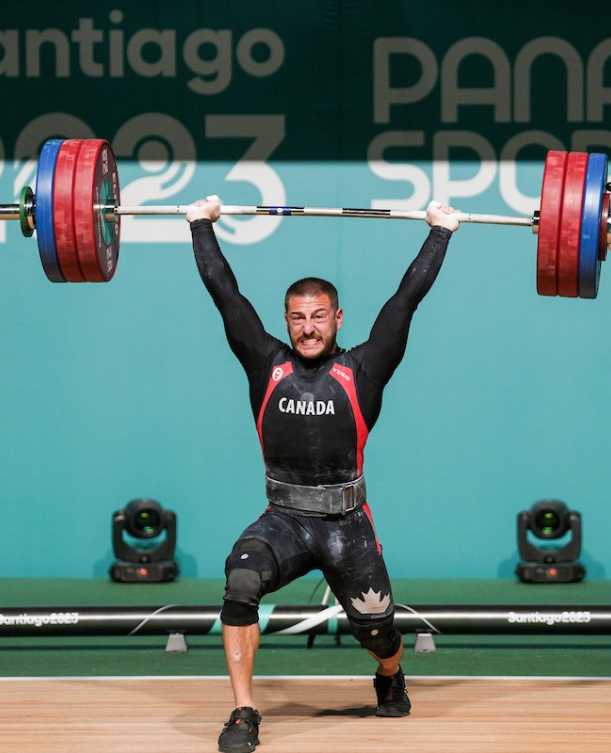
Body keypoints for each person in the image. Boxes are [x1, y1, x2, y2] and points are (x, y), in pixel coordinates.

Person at [185, 196, 460, 753]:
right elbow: (224, 294)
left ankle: (389, 674)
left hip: (347, 526)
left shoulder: (364, 369)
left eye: (318, 317)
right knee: (241, 580)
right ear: (286, 320)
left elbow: (406, 301)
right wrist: (200, 224)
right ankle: (242, 711)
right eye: (297, 317)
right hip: (284, 519)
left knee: (379, 633)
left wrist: (441, 232)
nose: (308, 329)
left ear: (338, 318)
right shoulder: (264, 362)